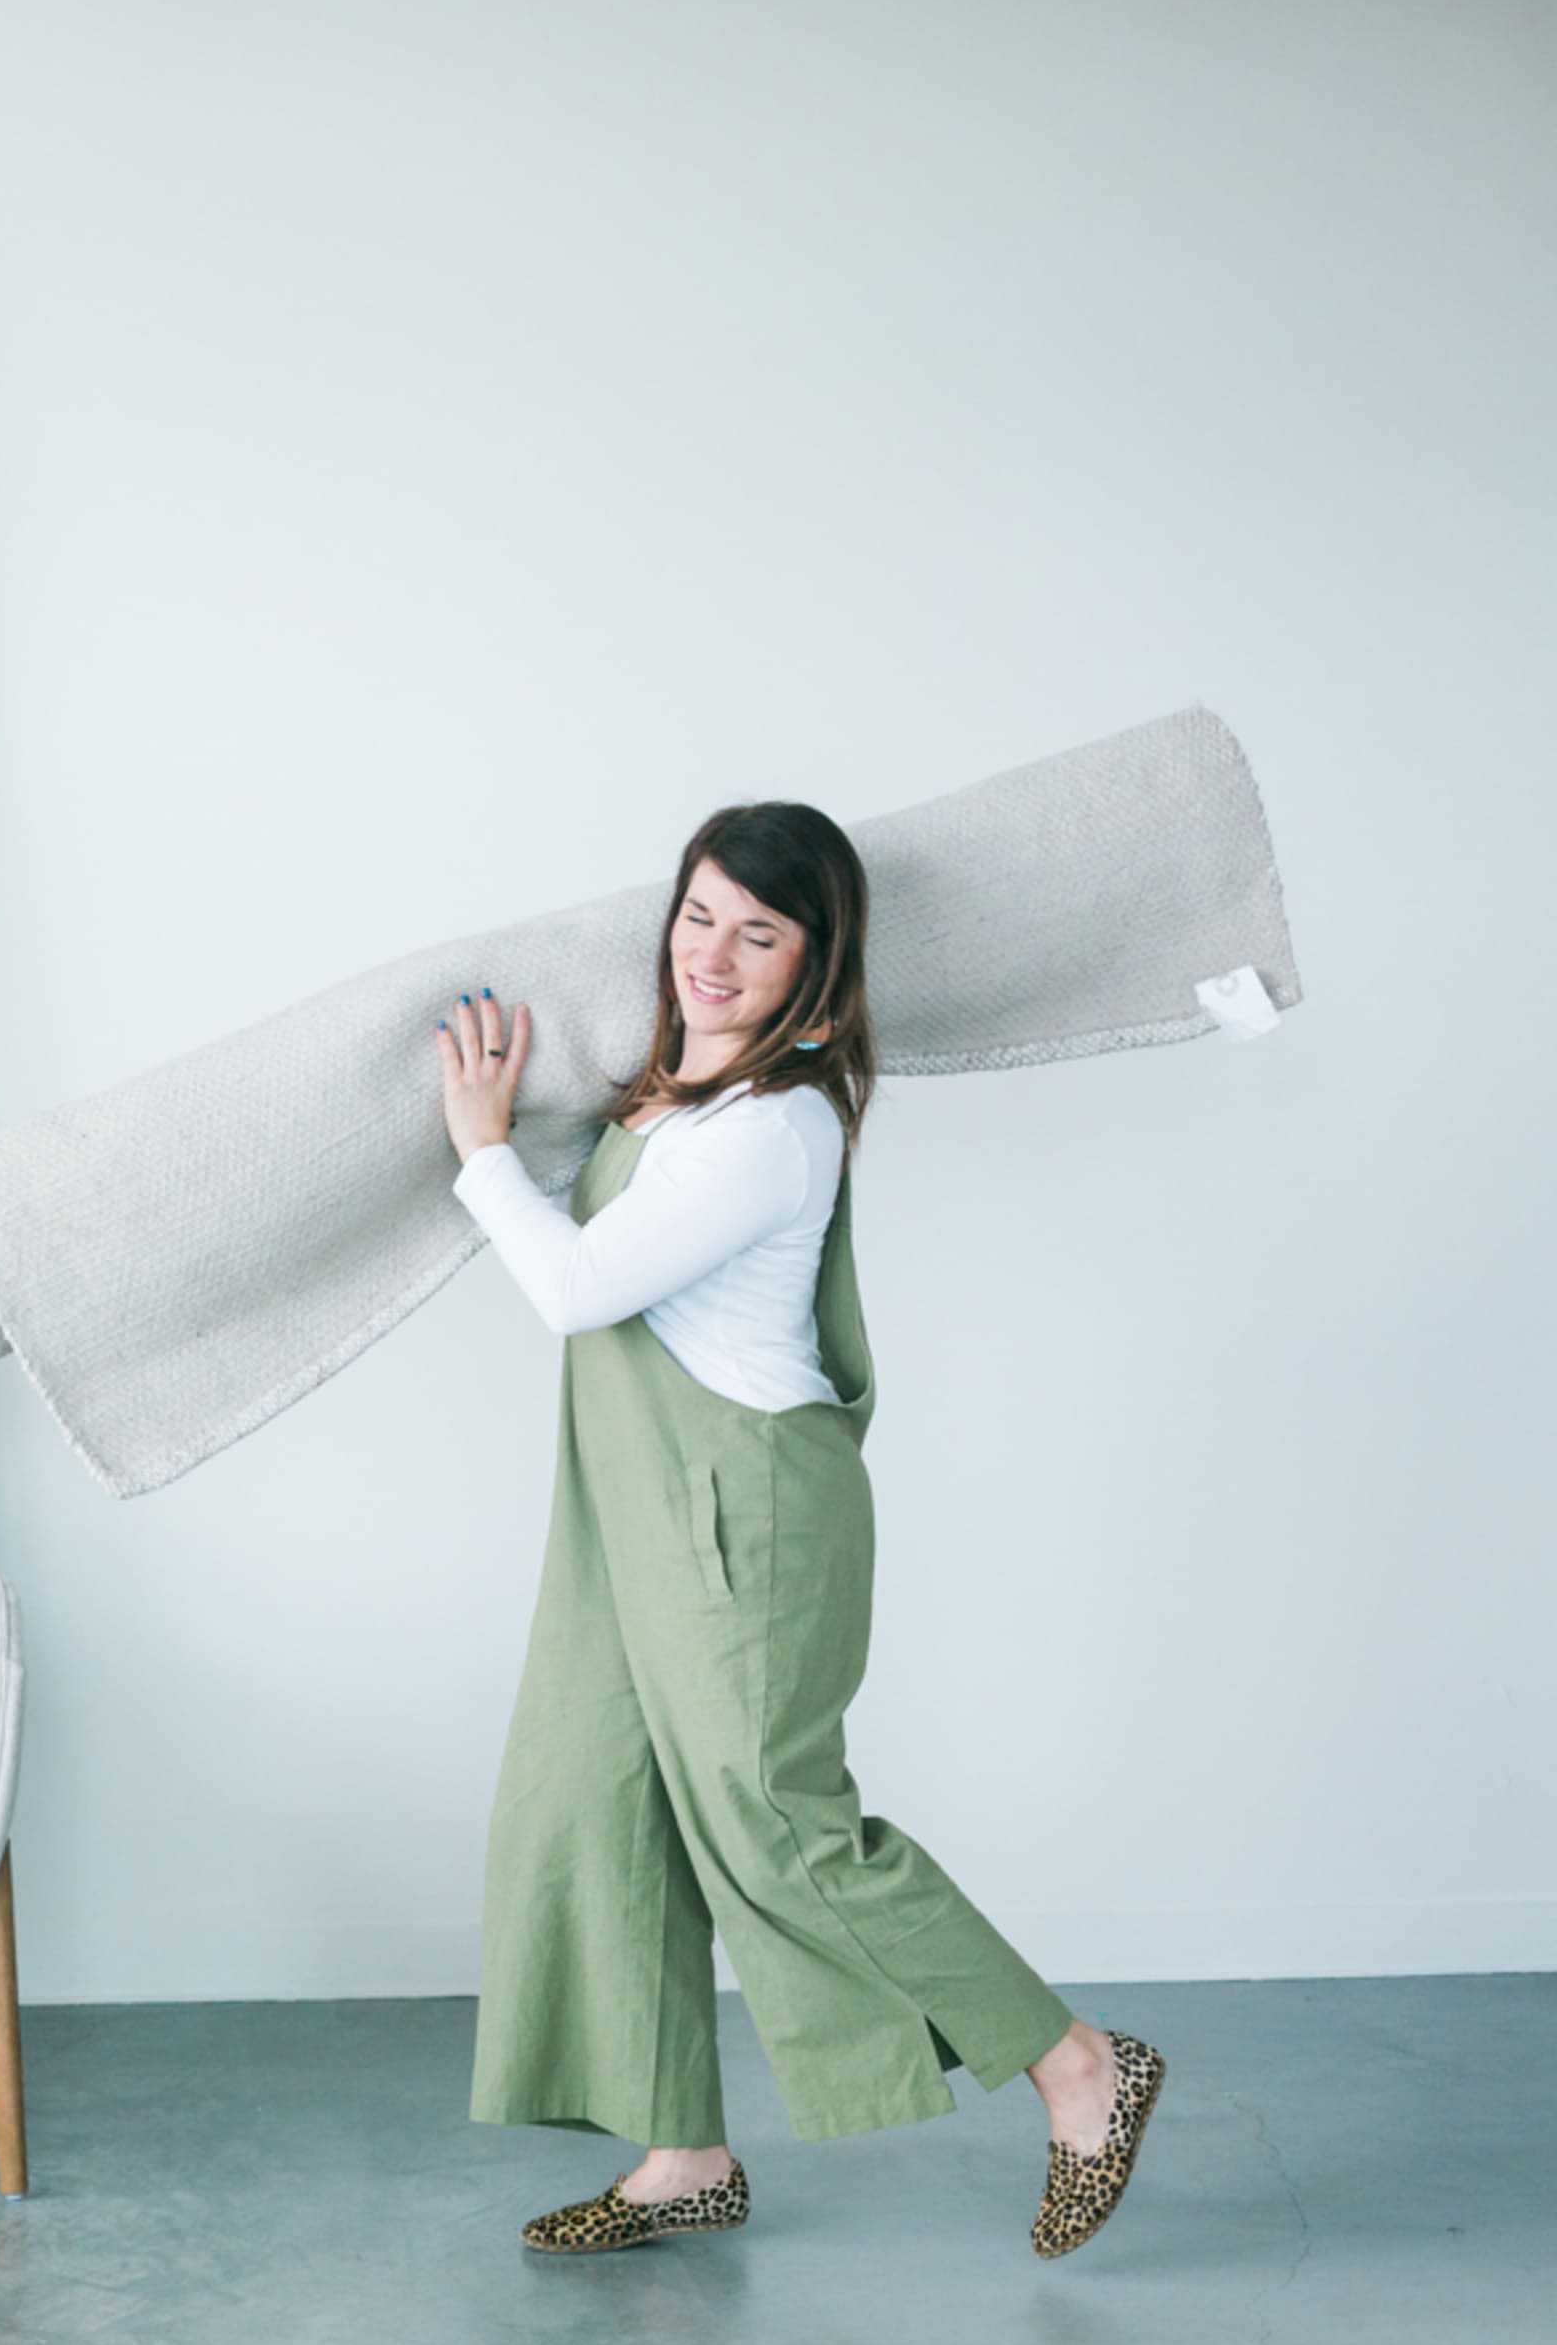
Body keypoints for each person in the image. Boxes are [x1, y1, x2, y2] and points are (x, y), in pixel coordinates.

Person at [434, 800, 1162, 2259]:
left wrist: (480, 1149)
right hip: (624, 1497)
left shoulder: (771, 1128)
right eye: (700, 915)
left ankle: (1079, 2063)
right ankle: (683, 2153)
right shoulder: (668, 1100)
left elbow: (579, 1290)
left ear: (813, 971)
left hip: (739, 1505)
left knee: (777, 1824)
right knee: (587, 1799)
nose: (715, 953)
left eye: (758, 934)